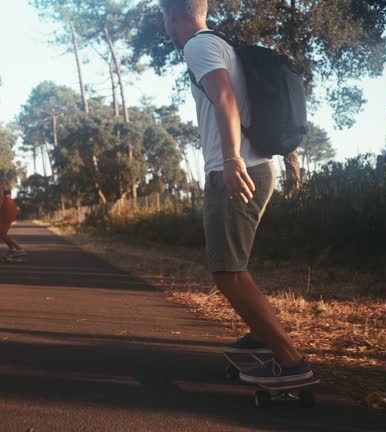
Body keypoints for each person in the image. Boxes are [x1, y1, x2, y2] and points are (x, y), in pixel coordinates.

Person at [160, 0, 313, 384]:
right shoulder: (218, 43)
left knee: (227, 273)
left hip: (238, 169)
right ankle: (262, 335)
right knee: (233, 268)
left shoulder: (197, 45)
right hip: (255, 166)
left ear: (174, 15)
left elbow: (224, 97)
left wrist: (230, 161)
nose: (165, 24)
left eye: (164, 16)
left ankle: (290, 361)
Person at [0, 169, 25, 258]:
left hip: (6, 208)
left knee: (2, 233)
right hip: (10, 205)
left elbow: (0, 200)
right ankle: (12, 249)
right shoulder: (6, 185)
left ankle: (19, 249)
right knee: (0, 232)